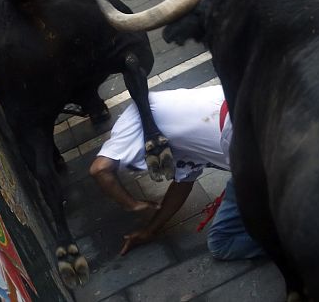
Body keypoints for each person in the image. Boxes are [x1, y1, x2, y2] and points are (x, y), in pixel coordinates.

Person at [89, 85, 264, 260]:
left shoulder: (131, 121)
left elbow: (100, 169)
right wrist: (150, 230)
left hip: (252, 151)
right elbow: (182, 185)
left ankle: (283, 240)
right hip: (254, 112)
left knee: (221, 243)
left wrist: (132, 204)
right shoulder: (170, 132)